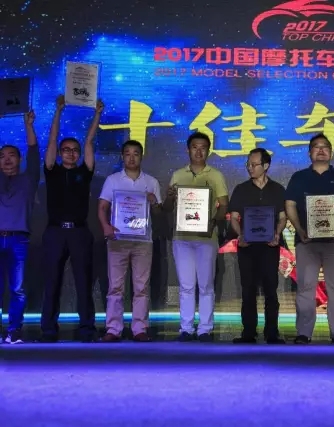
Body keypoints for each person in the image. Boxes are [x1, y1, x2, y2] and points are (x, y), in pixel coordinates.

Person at [39, 95, 103, 343]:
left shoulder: (84, 172)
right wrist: (58, 111)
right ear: (59, 153)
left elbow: (89, 141)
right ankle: (48, 329)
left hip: (79, 232)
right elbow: (52, 138)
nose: (71, 153)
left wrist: (97, 114)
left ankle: (87, 329)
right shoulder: (52, 170)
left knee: (83, 282)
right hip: (55, 232)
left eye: (74, 150)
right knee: (52, 282)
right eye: (66, 150)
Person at [285, 133, 334, 344]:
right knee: (306, 287)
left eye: (325, 146)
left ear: (331, 152)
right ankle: (304, 332)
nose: (321, 150)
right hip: (306, 242)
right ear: (309, 153)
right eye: (316, 147)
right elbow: (290, 205)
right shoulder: (299, 177)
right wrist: (299, 229)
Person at [163, 132, 229, 342]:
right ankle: (186, 328)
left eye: (203, 148)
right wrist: (169, 198)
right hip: (182, 238)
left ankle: (205, 329)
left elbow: (224, 205)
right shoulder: (178, 175)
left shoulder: (216, 175)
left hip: (206, 239)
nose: (199, 152)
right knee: (186, 286)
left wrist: (213, 222)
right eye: (194, 147)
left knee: (206, 285)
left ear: (208, 151)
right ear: (188, 149)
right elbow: (168, 207)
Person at [98, 140, 162, 342]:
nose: (132, 157)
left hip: (143, 241)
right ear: (122, 157)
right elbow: (102, 207)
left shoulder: (151, 182)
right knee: (115, 287)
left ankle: (139, 328)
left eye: (136, 153)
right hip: (117, 239)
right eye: (128, 153)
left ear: (141, 156)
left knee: (141, 287)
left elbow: (158, 212)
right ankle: (113, 328)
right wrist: (106, 226)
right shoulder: (113, 180)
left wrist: (154, 202)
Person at [229, 148, 286, 344]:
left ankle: (272, 332)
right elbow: (234, 217)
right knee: (248, 290)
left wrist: (277, 233)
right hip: (247, 247)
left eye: (254, 165)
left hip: (270, 246)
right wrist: (240, 235)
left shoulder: (278, 190)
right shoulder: (241, 189)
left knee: (271, 290)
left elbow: (282, 217)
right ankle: (248, 332)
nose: (250, 168)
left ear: (266, 166)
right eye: (248, 164)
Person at [0, 111, 40, 344]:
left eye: (11, 155)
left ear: (19, 159)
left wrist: (29, 125)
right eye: (2, 156)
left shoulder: (28, 179)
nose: (6, 160)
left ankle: (14, 330)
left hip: (19, 240)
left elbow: (34, 152)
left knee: (17, 288)